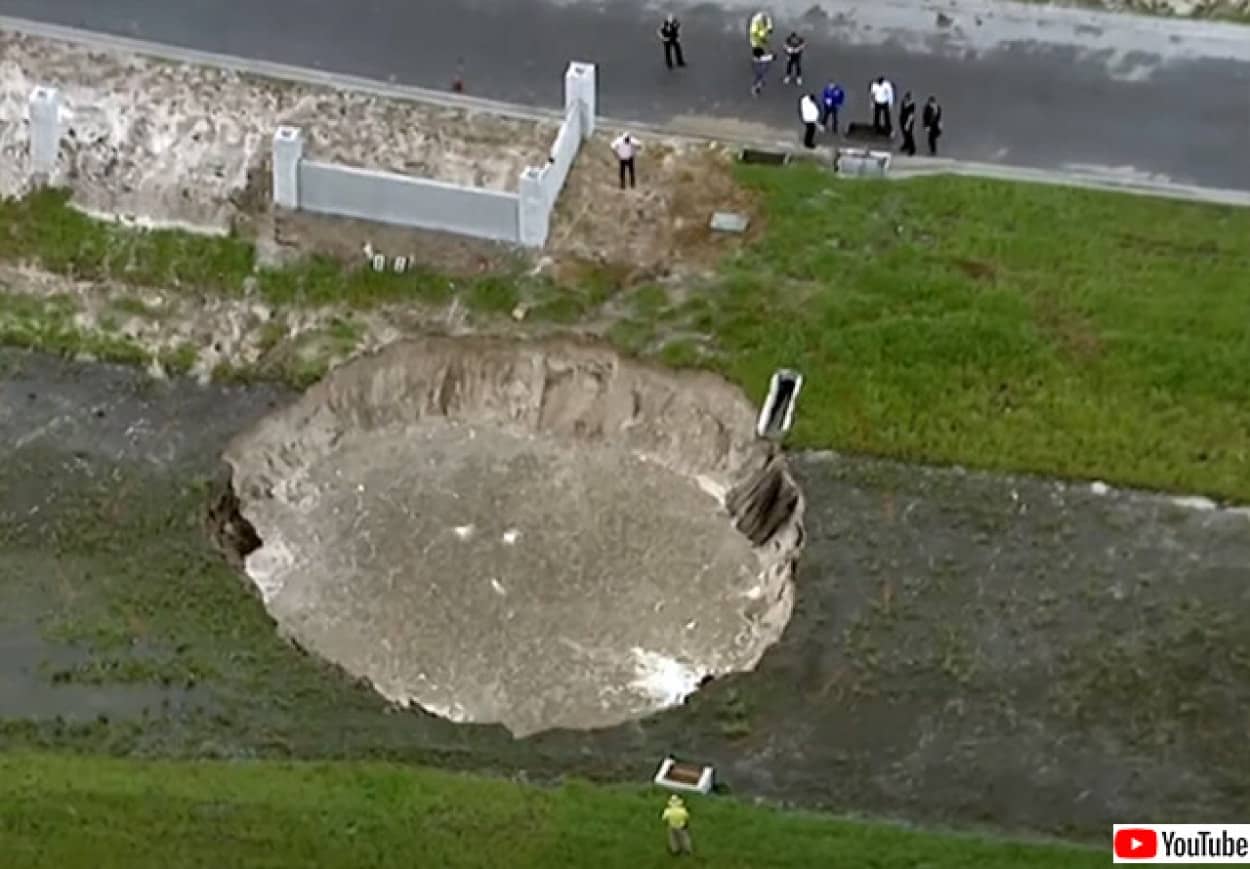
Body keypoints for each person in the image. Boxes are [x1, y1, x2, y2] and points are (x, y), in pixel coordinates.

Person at [898, 91, 916, 155]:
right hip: (902, 120)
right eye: (905, 98)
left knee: (909, 135)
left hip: (909, 121)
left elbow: (911, 115)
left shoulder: (912, 104)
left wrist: (907, 124)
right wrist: (901, 120)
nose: (905, 99)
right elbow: (902, 111)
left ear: (909, 98)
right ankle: (906, 145)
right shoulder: (903, 102)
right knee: (904, 134)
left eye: (907, 98)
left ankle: (912, 149)